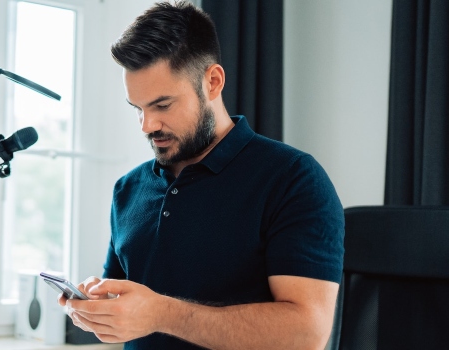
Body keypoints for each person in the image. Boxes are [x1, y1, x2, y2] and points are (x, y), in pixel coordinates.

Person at [57, 2, 344, 349]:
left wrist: (163, 313)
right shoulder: (128, 189)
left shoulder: (293, 179)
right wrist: (95, 308)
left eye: (162, 106)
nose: (148, 126)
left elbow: (307, 334)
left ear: (213, 81)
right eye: (138, 109)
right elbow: (125, 308)